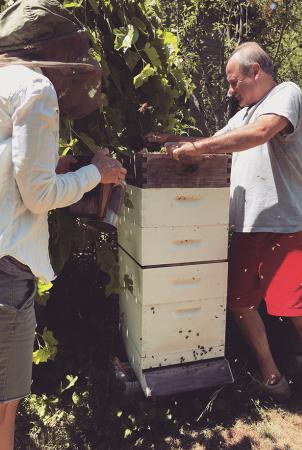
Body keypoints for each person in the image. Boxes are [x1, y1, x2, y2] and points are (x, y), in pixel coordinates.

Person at [146, 42, 302, 443]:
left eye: (232, 80)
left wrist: (198, 147)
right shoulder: (242, 114)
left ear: (255, 70)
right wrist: (171, 139)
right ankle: (273, 378)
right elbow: (218, 141)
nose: (229, 89)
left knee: (301, 312)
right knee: (240, 304)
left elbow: (259, 134)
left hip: (286, 227)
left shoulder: (285, 94)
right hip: (247, 229)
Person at [0, 1, 126, 448]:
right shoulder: (36, 87)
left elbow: (9, 177)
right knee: (4, 405)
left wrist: (55, 167)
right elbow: (37, 196)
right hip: (6, 265)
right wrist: (98, 173)